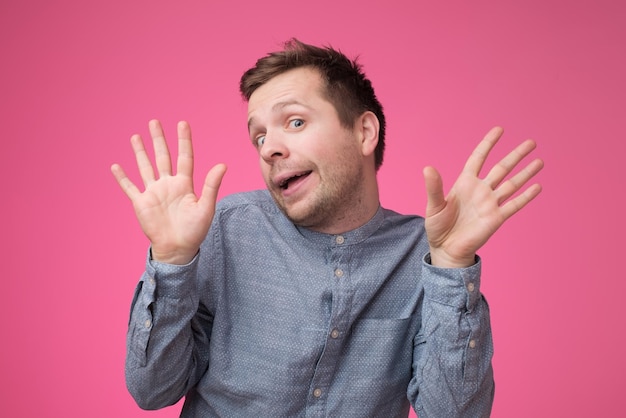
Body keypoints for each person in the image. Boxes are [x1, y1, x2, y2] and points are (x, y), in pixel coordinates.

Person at [111, 39, 543, 417]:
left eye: (294, 122)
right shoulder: (227, 228)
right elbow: (152, 391)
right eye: (258, 137)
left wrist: (451, 268)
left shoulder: (423, 253)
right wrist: (170, 262)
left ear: (364, 132)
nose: (270, 149)